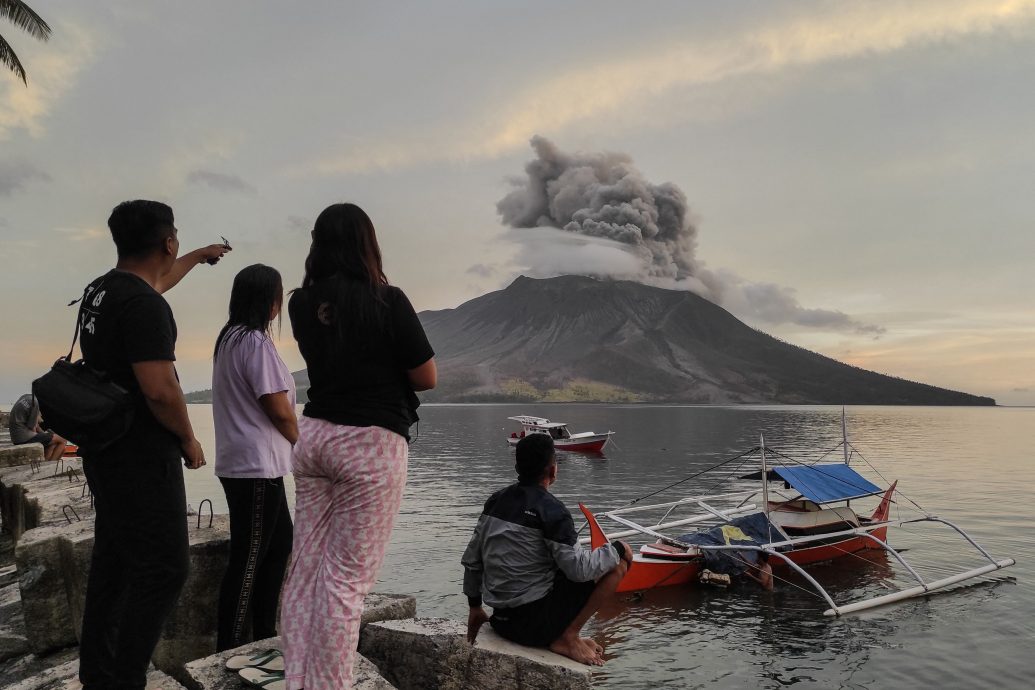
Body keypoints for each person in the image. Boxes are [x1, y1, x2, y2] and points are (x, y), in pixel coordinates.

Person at [279, 202, 436, 690]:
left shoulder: (300, 304)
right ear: (368, 243)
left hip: (315, 437)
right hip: (370, 444)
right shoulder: (388, 300)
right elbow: (426, 377)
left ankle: (298, 680)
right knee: (346, 584)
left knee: (305, 570)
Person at [77, 199, 230, 690]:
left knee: (115, 560)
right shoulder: (145, 306)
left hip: (105, 449)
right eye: (178, 240)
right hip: (141, 454)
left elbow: (159, 279)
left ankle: (98, 675)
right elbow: (160, 389)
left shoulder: (102, 290)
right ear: (167, 241)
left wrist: (201, 256)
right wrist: (189, 439)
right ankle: (126, 680)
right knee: (166, 568)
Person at [461, 434, 632, 666]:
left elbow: (472, 560)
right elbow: (578, 571)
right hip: (534, 628)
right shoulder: (552, 510)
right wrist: (618, 549)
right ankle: (568, 637)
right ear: (553, 471)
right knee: (618, 564)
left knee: (553, 565)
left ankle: (569, 635)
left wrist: (474, 607)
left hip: (501, 622)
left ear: (517, 467)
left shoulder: (496, 501)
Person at [211, 264, 297, 651]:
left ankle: (264, 636)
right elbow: (277, 408)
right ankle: (228, 648)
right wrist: (305, 444)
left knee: (279, 546)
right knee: (249, 559)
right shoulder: (254, 343)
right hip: (255, 466)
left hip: (248, 463)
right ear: (269, 301)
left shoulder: (230, 338)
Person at [7, 392, 67, 462]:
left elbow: (35, 425)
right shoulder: (35, 403)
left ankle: (45, 464)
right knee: (63, 440)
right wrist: (44, 436)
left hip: (16, 437)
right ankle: (52, 465)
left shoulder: (26, 397)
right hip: (24, 438)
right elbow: (33, 428)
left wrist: (45, 435)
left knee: (53, 443)